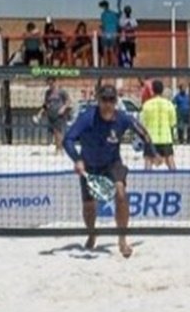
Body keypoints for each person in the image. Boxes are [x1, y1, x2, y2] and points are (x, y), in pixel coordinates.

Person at [63, 83, 155, 258]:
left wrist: (151, 151)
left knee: (120, 193)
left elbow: (143, 133)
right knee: (89, 207)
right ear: (98, 100)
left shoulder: (122, 118)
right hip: (89, 165)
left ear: (115, 101)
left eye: (111, 100)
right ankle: (92, 234)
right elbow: (68, 140)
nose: (108, 104)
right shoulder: (87, 118)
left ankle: (122, 240)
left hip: (112, 163)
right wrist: (77, 159)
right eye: (104, 99)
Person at [140, 79, 178, 170]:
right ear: (162, 90)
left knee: (148, 164)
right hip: (166, 138)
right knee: (171, 164)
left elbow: (142, 123)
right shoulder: (169, 104)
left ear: (152, 90)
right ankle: (177, 182)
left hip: (151, 139)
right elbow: (173, 123)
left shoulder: (147, 105)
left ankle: (146, 183)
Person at [38, 76, 72, 154]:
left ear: (55, 82)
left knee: (58, 131)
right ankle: (58, 148)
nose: (50, 85)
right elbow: (46, 104)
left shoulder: (61, 91)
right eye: (48, 83)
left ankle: (59, 149)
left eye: (51, 83)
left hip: (59, 114)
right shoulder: (48, 92)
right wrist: (40, 113)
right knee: (54, 132)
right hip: (50, 114)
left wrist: (63, 108)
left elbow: (68, 101)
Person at [98, 0, 120, 67]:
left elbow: (103, 26)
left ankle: (106, 67)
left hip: (106, 35)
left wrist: (102, 28)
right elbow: (117, 24)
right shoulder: (114, 14)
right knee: (112, 51)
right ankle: (116, 67)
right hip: (113, 34)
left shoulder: (103, 15)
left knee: (105, 51)